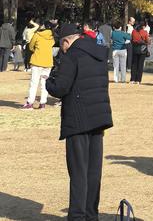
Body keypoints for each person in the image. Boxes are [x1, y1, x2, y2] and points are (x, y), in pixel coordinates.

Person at [46, 22, 113, 221]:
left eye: (61, 45)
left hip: (78, 118)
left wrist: (49, 81)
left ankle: (77, 216)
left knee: (78, 172)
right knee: (93, 171)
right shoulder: (98, 53)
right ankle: (91, 215)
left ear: (66, 41)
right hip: (98, 116)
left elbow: (60, 88)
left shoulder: (72, 55)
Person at [23, 21, 55, 110]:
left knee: (34, 83)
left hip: (37, 61)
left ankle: (30, 103)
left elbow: (31, 46)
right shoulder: (52, 37)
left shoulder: (37, 34)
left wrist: (36, 50)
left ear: (44, 26)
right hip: (48, 62)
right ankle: (43, 103)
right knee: (44, 84)